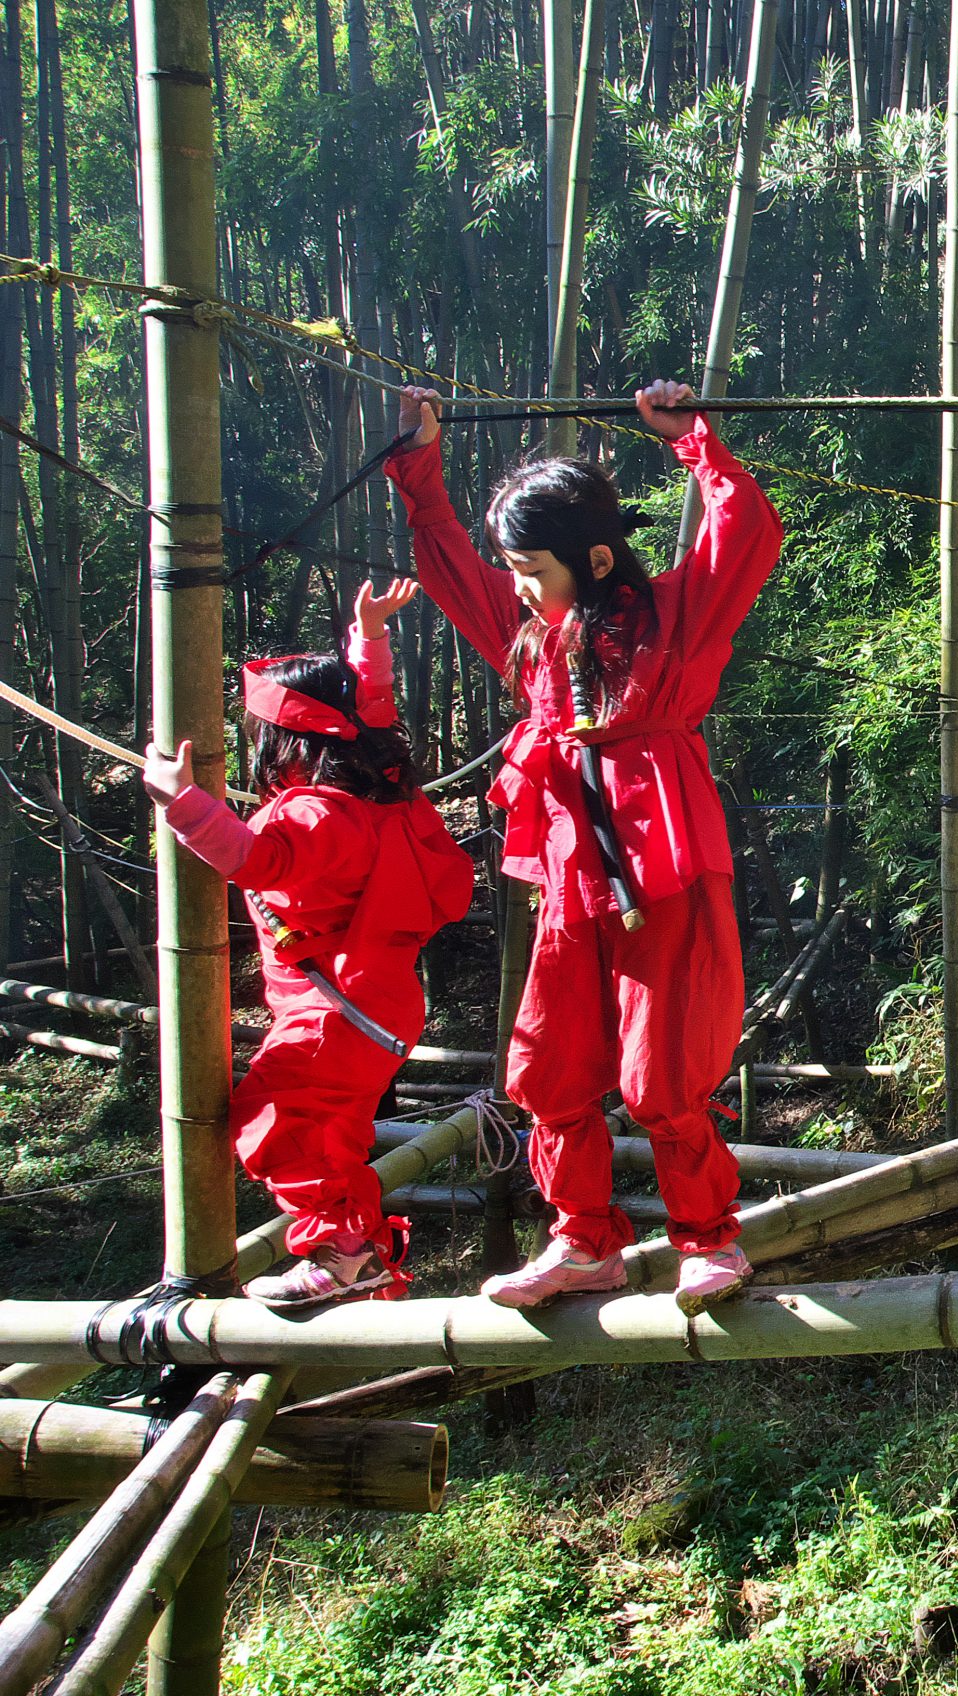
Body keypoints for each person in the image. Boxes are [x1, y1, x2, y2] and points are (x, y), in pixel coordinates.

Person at [385, 381, 784, 1313]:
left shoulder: (678, 619)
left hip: (663, 859)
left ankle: (707, 1238)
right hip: (569, 872)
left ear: (596, 557)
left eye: (533, 567)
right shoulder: (534, 638)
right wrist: (420, 462)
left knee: (663, 1070)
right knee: (551, 1063)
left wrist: (696, 443)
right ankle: (583, 1240)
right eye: (515, 568)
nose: (519, 586)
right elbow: (448, 567)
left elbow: (746, 532)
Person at [142, 581, 477, 1309]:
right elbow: (373, 712)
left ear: (287, 741)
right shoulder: (389, 799)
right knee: (334, 1137)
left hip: (334, 1011)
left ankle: (343, 1249)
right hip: (376, 1003)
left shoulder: (313, 814)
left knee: (275, 1122)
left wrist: (183, 802)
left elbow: (253, 859)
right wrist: (369, 639)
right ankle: (361, 1255)